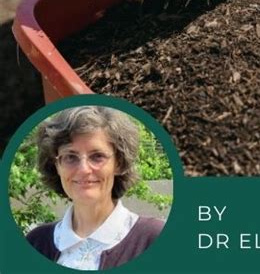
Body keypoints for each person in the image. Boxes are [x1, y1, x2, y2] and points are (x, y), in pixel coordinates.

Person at [26, 106, 164, 270]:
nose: (84, 169)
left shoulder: (153, 238)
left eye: (97, 156)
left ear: (118, 163)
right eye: (70, 157)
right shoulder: (36, 242)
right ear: (56, 165)